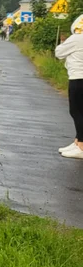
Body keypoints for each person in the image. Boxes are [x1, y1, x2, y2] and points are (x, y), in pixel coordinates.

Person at [56, 13, 83, 158]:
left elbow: (59, 52)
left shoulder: (77, 38)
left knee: (76, 112)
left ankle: (81, 146)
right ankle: (77, 142)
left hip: (78, 78)